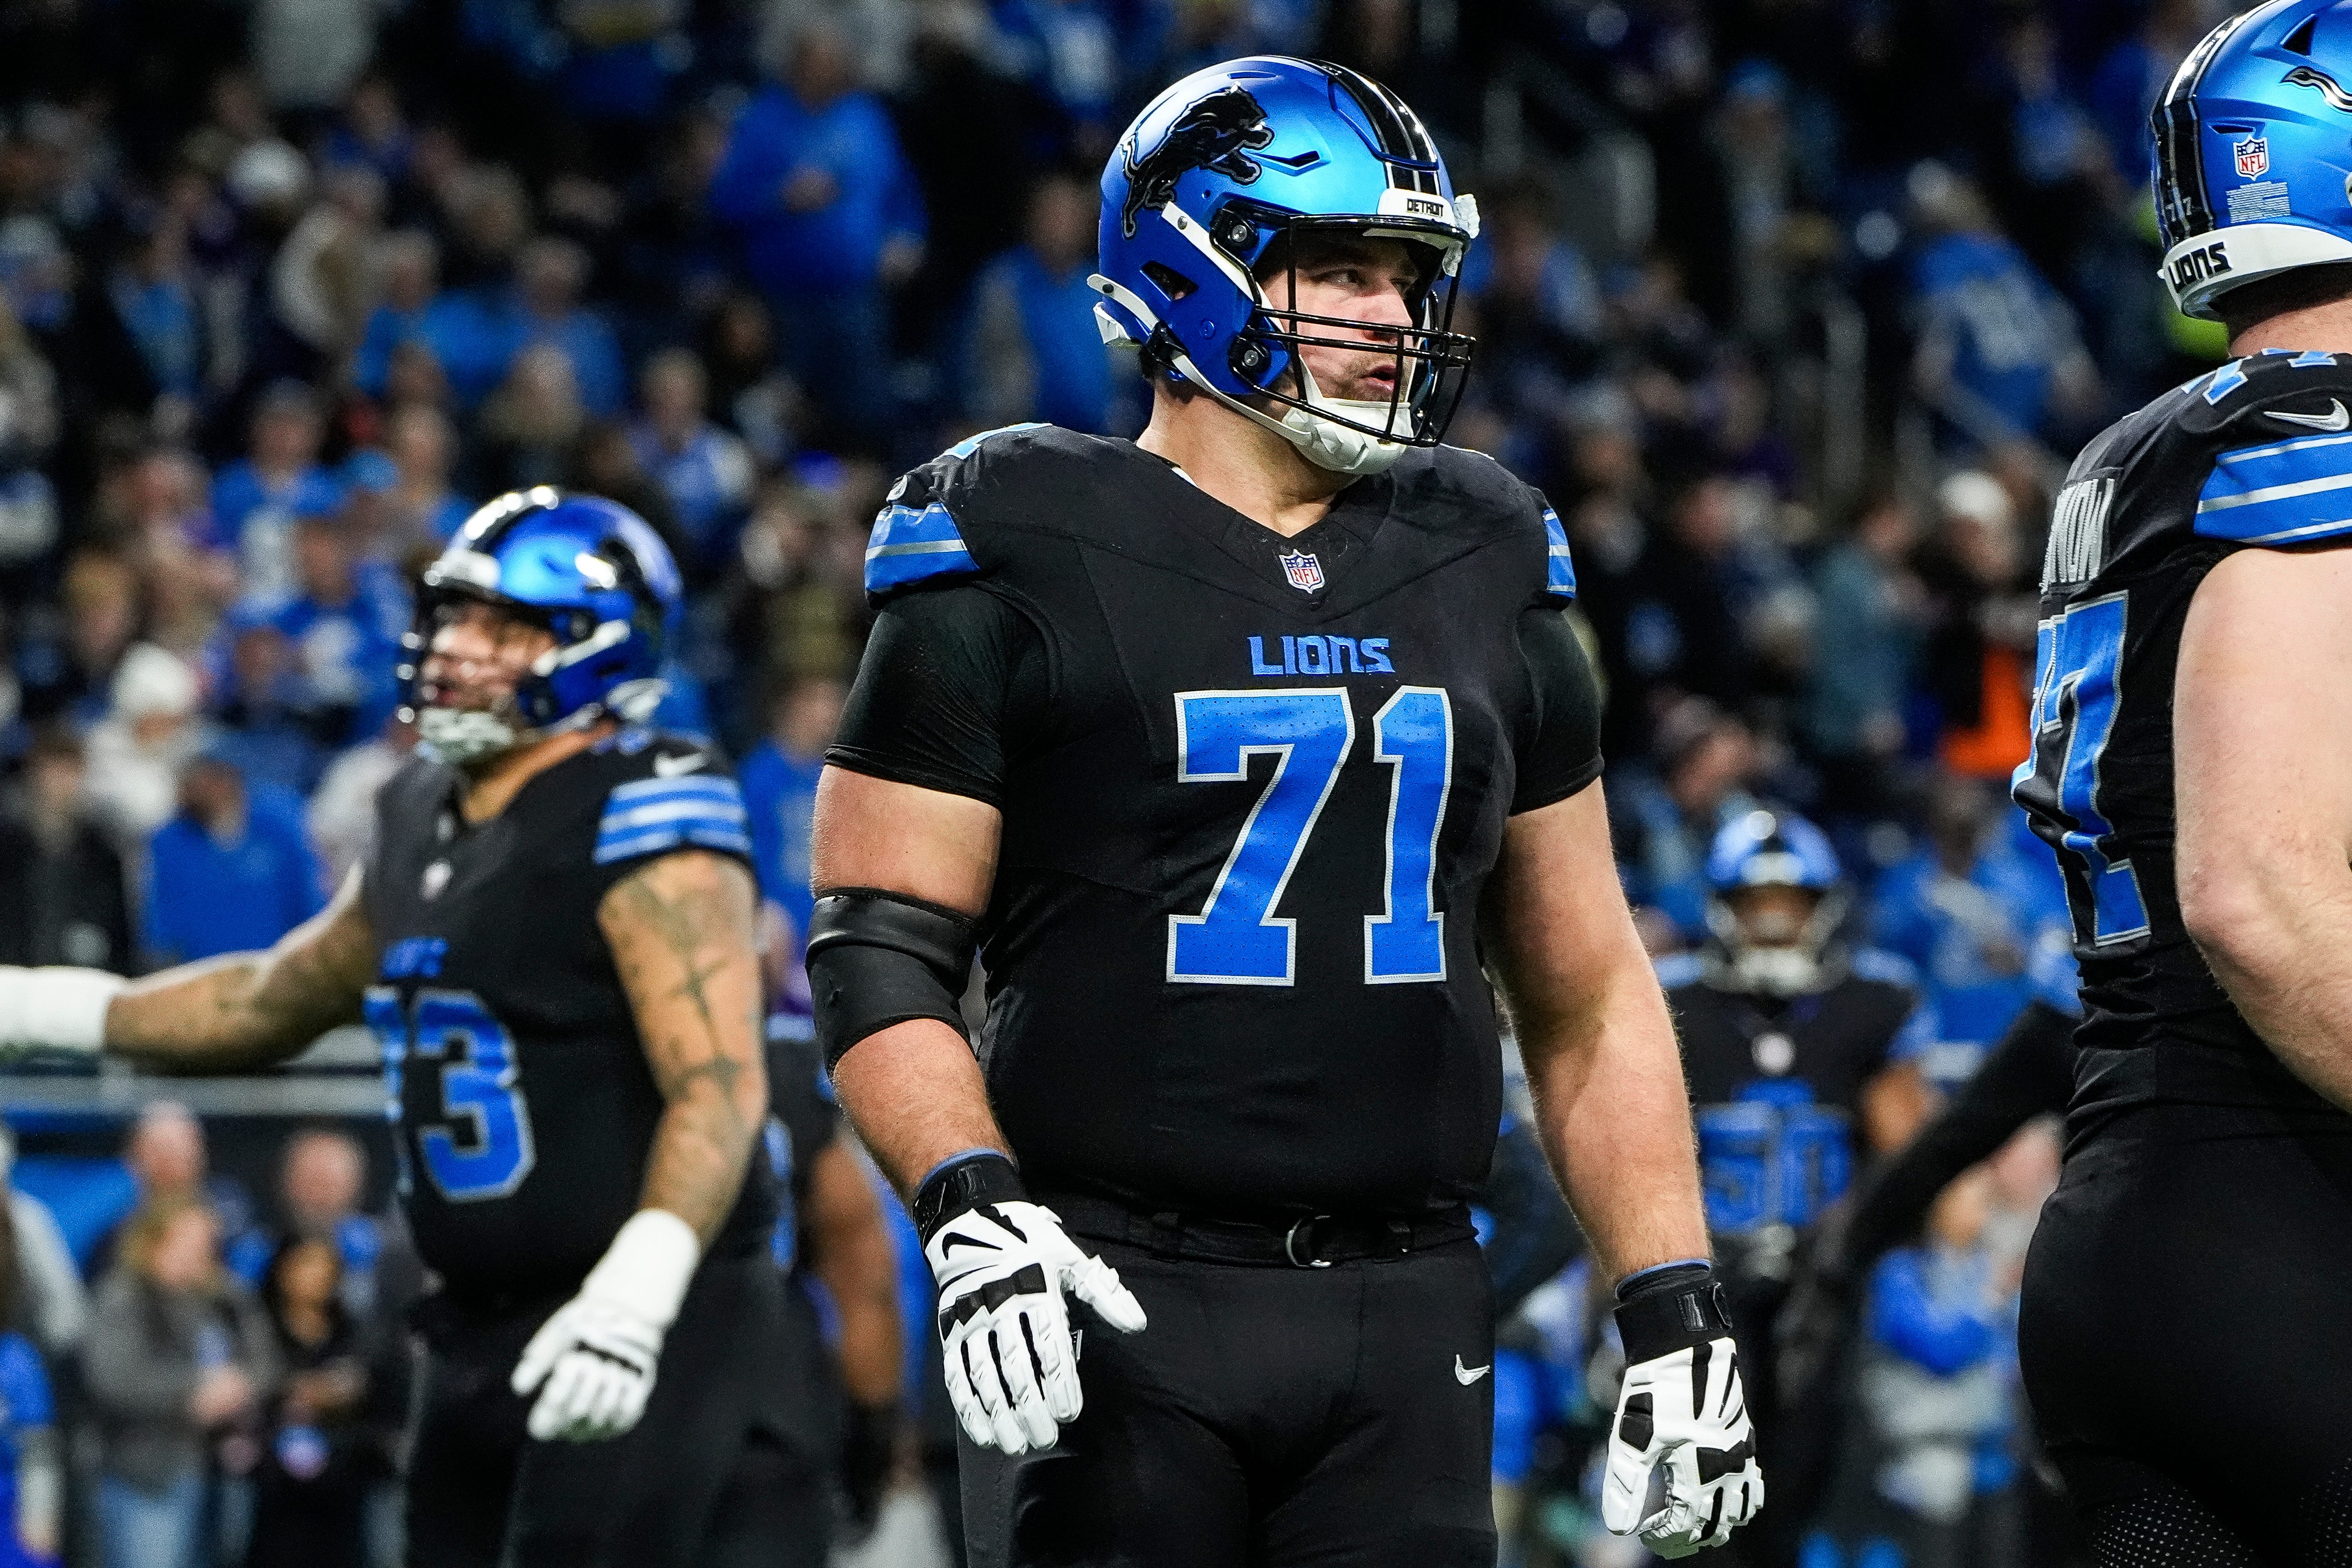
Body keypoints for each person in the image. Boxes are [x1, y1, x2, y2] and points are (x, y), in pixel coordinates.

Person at [806, 57, 1762, 1567]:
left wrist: (1672, 1298)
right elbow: (876, 950)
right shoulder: (1017, 534)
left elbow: (1584, 985)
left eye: (1407, 277)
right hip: (1111, 1283)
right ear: (1188, 264)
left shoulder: (1484, 544)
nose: (1391, 315)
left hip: (1409, 1306)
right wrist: (969, 1204)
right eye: (1339, 268)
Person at [0, 490, 837, 1566]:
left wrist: (640, 1287)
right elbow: (271, 997)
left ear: (597, 644)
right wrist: (40, 1009)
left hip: (643, 1314)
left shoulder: (647, 809)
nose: (456, 645)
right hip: (474, 1322)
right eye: (454, 616)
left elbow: (715, 1083)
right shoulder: (418, 809)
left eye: (502, 626)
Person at [2001, 4, 2352, 1556]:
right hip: (2294, 1232)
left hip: (2141, 1214)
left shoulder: (2136, 452)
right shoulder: (2320, 438)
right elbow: (2254, 892)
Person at [1659, 810, 1932, 1564]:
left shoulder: (1871, 1001)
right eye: (1757, 903)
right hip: (1704, 1276)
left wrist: (1863, 1248)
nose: (1775, 923)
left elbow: (1910, 1159)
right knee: (1700, 1502)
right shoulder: (1673, 1002)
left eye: (1790, 903)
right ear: (1722, 907)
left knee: (1805, 1481)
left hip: (1824, 1278)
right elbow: (1633, 1157)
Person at [83, 1197, 279, 1568]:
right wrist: (193, 1393)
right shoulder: (122, 1297)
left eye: (206, 1243)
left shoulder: (226, 1297)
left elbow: (266, 1361)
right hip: (148, 1472)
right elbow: (114, 1379)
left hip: (223, 1468)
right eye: (188, 1241)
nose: (200, 1253)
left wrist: (239, 1385)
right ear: (153, 1242)